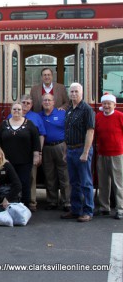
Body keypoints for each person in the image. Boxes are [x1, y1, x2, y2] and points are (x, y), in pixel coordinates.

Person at [61, 83, 95, 223]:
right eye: (72, 91)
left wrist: (86, 152)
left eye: (76, 91)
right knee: (74, 182)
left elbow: (90, 131)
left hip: (82, 150)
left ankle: (88, 211)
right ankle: (75, 210)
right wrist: (65, 151)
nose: (73, 94)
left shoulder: (87, 109)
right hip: (71, 150)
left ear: (81, 93)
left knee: (85, 182)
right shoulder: (70, 110)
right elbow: (67, 131)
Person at [0, 102, 40, 207]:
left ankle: (25, 206)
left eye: (19, 109)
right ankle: (9, 205)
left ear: (23, 112)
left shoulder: (29, 124)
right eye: (14, 109)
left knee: (24, 183)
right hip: (7, 162)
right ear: (11, 111)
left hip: (25, 161)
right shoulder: (3, 124)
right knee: (9, 183)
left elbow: (36, 141)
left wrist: (36, 155)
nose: (17, 111)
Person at [39, 93, 71, 212]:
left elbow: (68, 130)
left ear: (54, 102)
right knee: (49, 176)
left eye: (49, 100)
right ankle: (52, 201)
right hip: (46, 148)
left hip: (60, 146)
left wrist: (67, 147)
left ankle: (67, 202)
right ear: (42, 103)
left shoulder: (62, 113)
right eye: (45, 100)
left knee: (64, 175)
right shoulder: (39, 116)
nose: (47, 102)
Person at [95, 92, 123, 220]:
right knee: (103, 182)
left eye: (109, 104)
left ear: (114, 104)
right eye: (104, 103)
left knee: (118, 183)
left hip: (117, 153)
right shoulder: (98, 116)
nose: (106, 106)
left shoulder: (120, 116)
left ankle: (120, 209)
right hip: (102, 153)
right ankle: (104, 207)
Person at [18, 94, 46, 212]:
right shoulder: (12, 115)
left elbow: (41, 135)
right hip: (16, 153)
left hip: (31, 153)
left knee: (31, 177)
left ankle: (32, 201)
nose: (25, 105)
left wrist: (39, 152)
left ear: (32, 105)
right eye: (23, 102)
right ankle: (18, 200)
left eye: (28, 103)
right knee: (16, 177)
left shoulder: (36, 117)